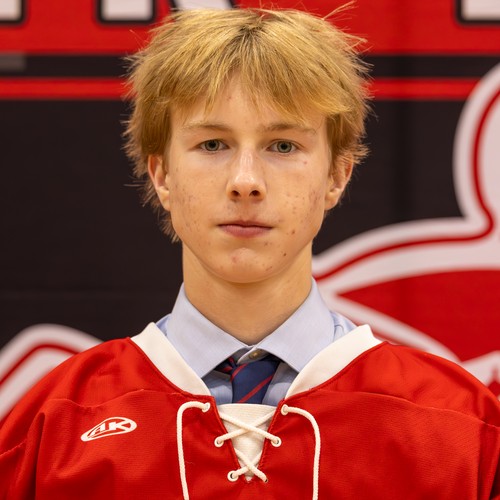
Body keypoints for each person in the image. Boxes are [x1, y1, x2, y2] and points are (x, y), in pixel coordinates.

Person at [0, 7, 498, 499]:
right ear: (162, 174)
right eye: (213, 144)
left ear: (337, 176)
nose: (245, 182)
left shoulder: (463, 425)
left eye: (282, 146)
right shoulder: (52, 423)